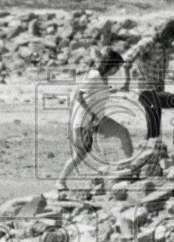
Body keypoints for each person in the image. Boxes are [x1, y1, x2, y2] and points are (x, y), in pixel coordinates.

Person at [55, 48, 133, 192]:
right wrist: (91, 115)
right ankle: (60, 182)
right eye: (117, 68)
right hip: (84, 121)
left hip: (98, 119)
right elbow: (77, 95)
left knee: (123, 133)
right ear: (111, 66)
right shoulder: (93, 76)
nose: (117, 71)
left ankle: (131, 168)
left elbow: (114, 90)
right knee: (80, 154)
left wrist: (125, 78)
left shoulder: (104, 79)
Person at [121, 19, 174, 150]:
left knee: (154, 133)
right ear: (166, 35)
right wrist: (127, 82)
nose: (171, 41)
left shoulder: (165, 46)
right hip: (147, 92)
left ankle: (152, 156)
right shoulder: (147, 43)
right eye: (171, 38)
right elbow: (126, 61)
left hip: (158, 91)